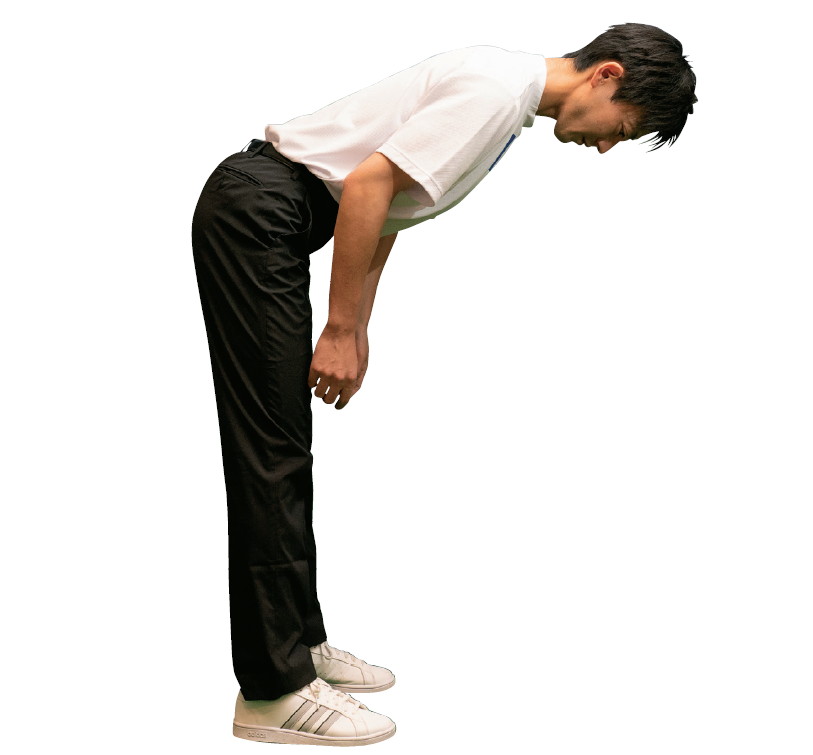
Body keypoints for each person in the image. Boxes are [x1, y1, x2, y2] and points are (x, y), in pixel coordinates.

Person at [191, 22, 696, 747]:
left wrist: (356, 328)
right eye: (623, 127)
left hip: (272, 213)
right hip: (259, 213)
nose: (607, 146)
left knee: (284, 449)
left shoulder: (506, 95)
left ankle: (297, 643)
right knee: (269, 451)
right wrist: (339, 328)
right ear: (606, 74)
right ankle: (272, 691)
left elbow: (390, 205)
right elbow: (367, 185)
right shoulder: (497, 92)